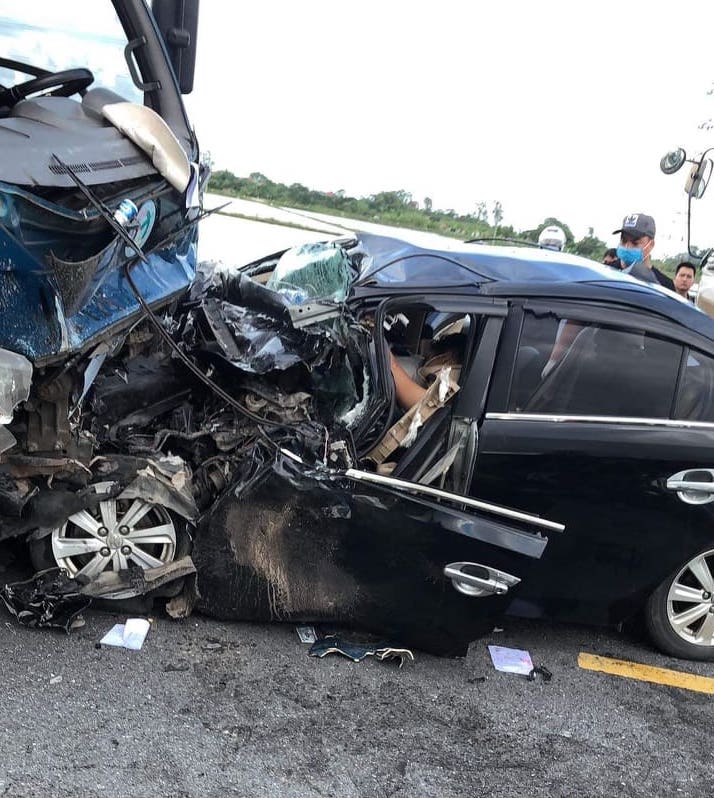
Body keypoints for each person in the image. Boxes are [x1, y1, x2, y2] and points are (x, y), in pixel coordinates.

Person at [613, 213, 675, 290]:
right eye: (623, 241)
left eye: (635, 243)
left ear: (651, 245)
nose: (627, 247)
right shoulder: (607, 272)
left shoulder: (664, 286)